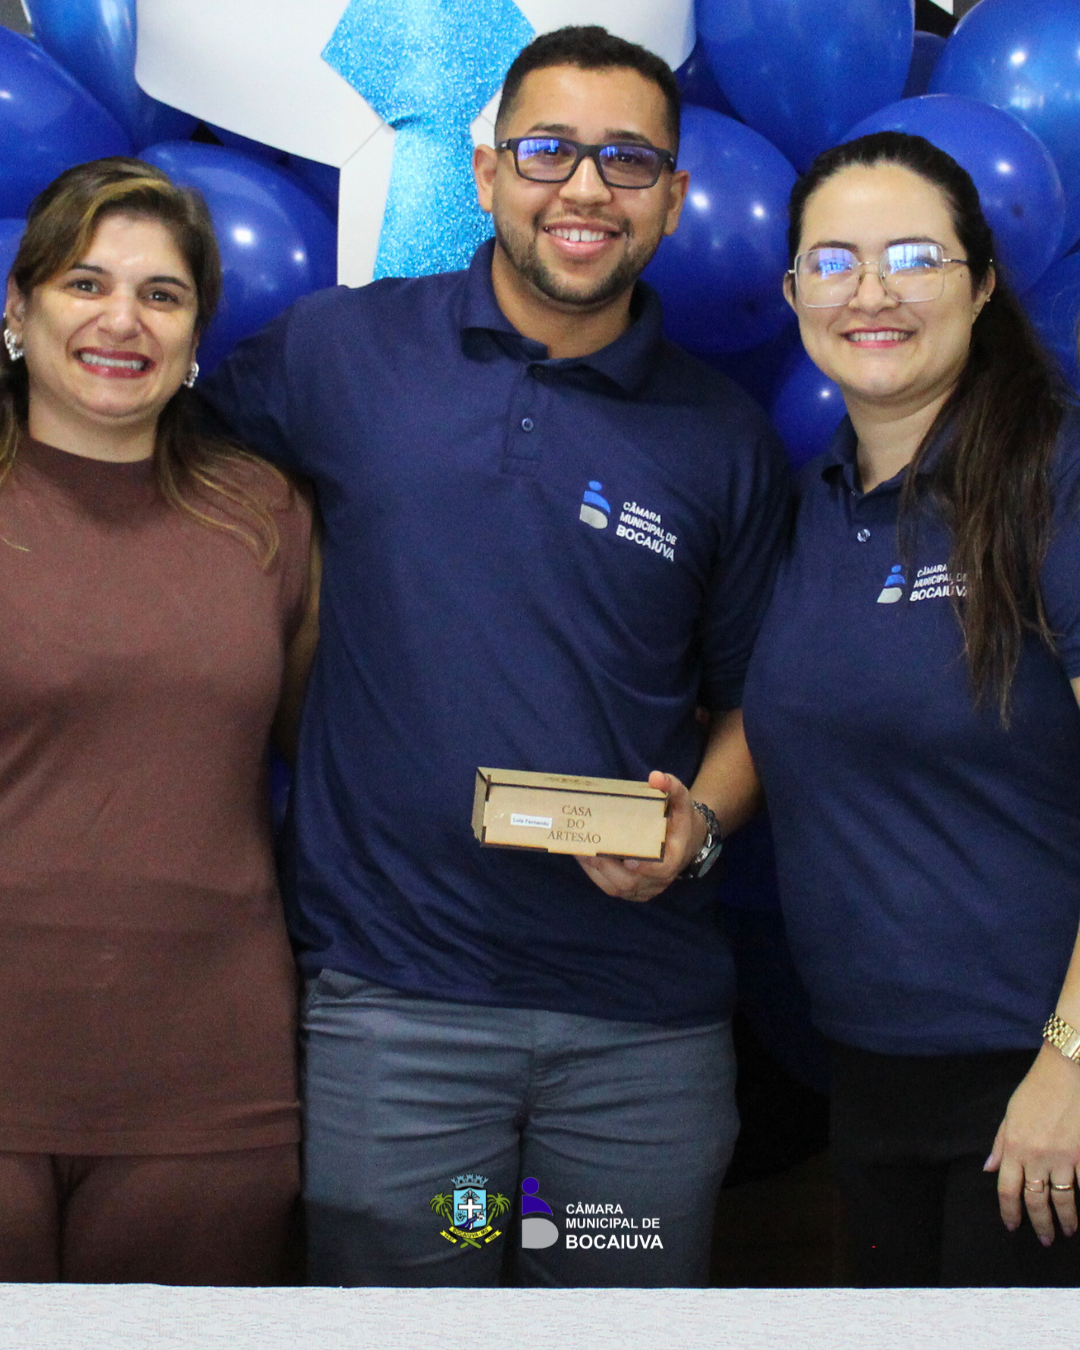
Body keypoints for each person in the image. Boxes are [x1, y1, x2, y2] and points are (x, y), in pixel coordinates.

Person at [202, 24, 789, 1288]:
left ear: (674, 196)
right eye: (547, 151)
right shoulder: (336, 353)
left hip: (642, 1036)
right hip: (395, 1013)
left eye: (629, 159)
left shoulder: (726, 440)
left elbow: (759, 704)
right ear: (485, 172)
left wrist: (698, 829)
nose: (586, 188)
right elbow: (162, 469)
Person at [742, 130, 1080, 1286]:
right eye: (834, 262)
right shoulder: (813, 505)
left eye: (915, 258)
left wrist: (1071, 1064)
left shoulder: (1057, 475)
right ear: (793, 294)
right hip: (870, 1075)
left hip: (1037, 1085)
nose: (871, 292)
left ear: (981, 285)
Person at [0, 158, 317, 1284]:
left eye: (162, 294)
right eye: (85, 283)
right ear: (18, 309)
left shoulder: (265, 517)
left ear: (194, 336)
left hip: (206, 1076)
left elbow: (331, 758)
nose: (121, 320)